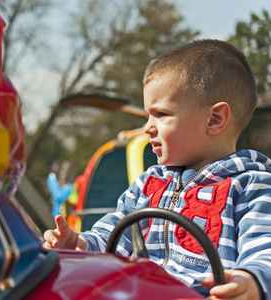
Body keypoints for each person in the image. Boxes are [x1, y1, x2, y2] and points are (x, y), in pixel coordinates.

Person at [43, 39, 271, 300]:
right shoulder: (148, 184)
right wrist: (81, 243)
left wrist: (251, 280)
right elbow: (115, 234)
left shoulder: (252, 185)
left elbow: (264, 248)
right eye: (147, 116)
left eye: (161, 114)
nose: (148, 127)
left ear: (214, 119)